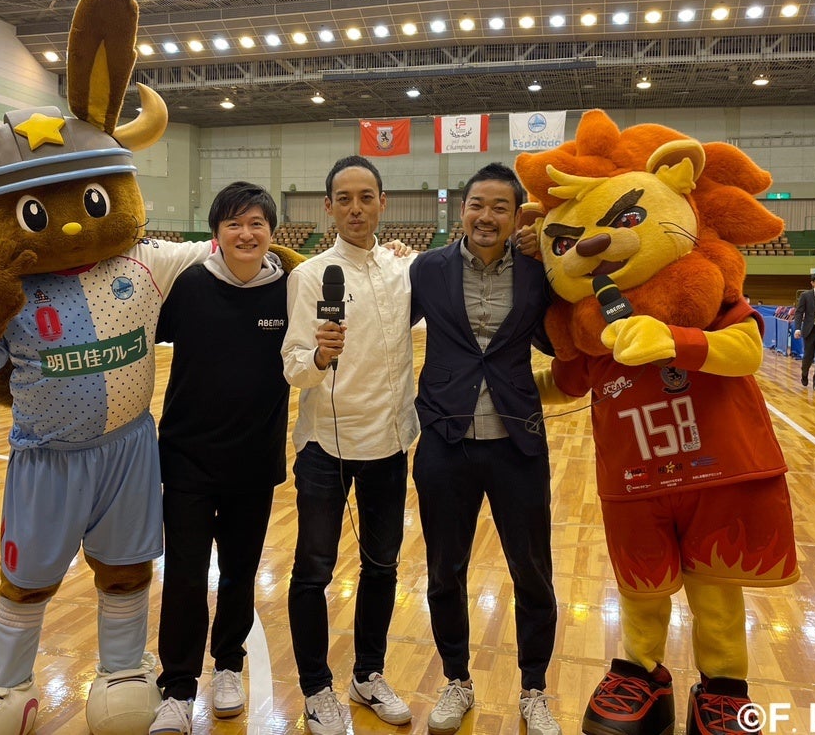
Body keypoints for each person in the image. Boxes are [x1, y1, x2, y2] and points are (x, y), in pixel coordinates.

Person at [409, 163, 561, 735]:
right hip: (444, 441)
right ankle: (456, 680)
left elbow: (564, 338)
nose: (487, 216)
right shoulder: (427, 269)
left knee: (533, 572)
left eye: (500, 207)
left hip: (516, 441)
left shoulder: (539, 274)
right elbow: (384, 327)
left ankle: (534, 688)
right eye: (478, 204)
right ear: (462, 209)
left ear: (517, 216)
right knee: (444, 572)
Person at [281, 155, 417, 735]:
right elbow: (292, 367)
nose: (355, 208)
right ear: (328, 207)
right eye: (344, 198)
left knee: (382, 566)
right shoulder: (310, 276)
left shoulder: (403, 269)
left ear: (383, 203)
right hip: (324, 448)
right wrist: (319, 356)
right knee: (313, 571)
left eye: (366, 197)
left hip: (389, 443)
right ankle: (317, 688)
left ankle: (368, 674)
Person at [149, 183, 292, 735]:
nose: (245, 233)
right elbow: (142, 335)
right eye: (234, 223)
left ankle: (229, 665)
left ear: (272, 232)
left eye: (256, 223)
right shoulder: (189, 286)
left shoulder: (289, 292)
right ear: (216, 233)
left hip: (254, 460)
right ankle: (178, 688)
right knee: (185, 577)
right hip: (187, 458)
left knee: (239, 573)